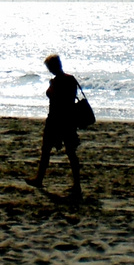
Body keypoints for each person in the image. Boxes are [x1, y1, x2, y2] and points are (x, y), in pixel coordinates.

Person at [25, 54, 83, 200]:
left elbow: (54, 98)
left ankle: (39, 179)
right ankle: (77, 184)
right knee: (71, 152)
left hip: (56, 119)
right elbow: (71, 98)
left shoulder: (56, 82)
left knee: (46, 150)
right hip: (69, 120)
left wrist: (51, 87)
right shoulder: (71, 79)